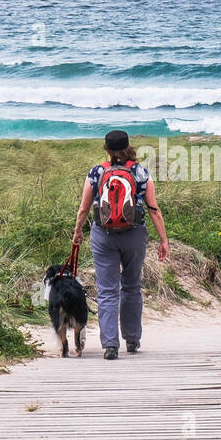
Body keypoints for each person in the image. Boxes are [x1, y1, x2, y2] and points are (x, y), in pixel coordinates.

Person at [72, 130, 169, 359]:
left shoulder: (97, 172)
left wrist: (77, 232)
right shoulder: (140, 172)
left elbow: (84, 208)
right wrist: (163, 239)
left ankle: (110, 345)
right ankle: (132, 339)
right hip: (134, 234)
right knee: (132, 286)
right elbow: (153, 210)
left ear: (106, 148)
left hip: (103, 235)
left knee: (107, 290)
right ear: (129, 147)